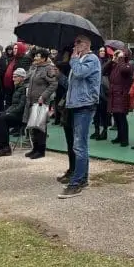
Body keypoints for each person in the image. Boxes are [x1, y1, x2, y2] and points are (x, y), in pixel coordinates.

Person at [58, 35, 101, 199]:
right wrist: (59, 76)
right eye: (74, 43)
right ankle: (82, 179)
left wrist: (74, 60)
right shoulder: (79, 61)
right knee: (79, 144)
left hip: (85, 105)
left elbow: (81, 73)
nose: (75, 46)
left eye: (78, 43)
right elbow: (72, 85)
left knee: (79, 145)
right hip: (75, 104)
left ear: (86, 45)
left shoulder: (91, 59)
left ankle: (76, 183)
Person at [22, 48, 59, 158]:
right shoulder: (34, 67)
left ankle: (41, 150)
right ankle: (34, 148)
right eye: (35, 56)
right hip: (31, 101)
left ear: (44, 58)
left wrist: (43, 96)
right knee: (33, 124)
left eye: (38, 56)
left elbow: (53, 84)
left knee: (40, 126)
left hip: (41, 101)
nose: (35, 58)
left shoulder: (49, 68)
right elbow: (28, 79)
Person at [0, 68, 29, 157]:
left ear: (22, 78)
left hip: (21, 116)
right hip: (15, 113)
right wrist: (7, 111)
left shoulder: (25, 88)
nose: (13, 79)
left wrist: (8, 113)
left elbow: (21, 106)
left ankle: (6, 148)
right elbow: (14, 105)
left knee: (3, 118)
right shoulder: (18, 87)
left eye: (15, 77)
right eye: (13, 77)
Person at [106, 49, 133, 147]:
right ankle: (119, 137)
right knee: (117, 117)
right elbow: (104, 70)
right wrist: (112, 60)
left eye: (121, 56)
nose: (118, 57)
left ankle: (124, 139)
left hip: (121, 95)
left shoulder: (128, 65)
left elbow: (124, 70)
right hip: (114, 94)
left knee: (122, 118)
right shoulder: (115, 65)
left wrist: (121, 59)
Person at [1, 42, 31, 114]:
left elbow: (24, 73)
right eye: (14, 48)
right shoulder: (12, 58)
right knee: (8, 104)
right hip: (9, 86)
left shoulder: (25, 58)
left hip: (17, 86)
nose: (14, 50)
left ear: (21, 49)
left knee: (14, 105)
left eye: (16, 48)